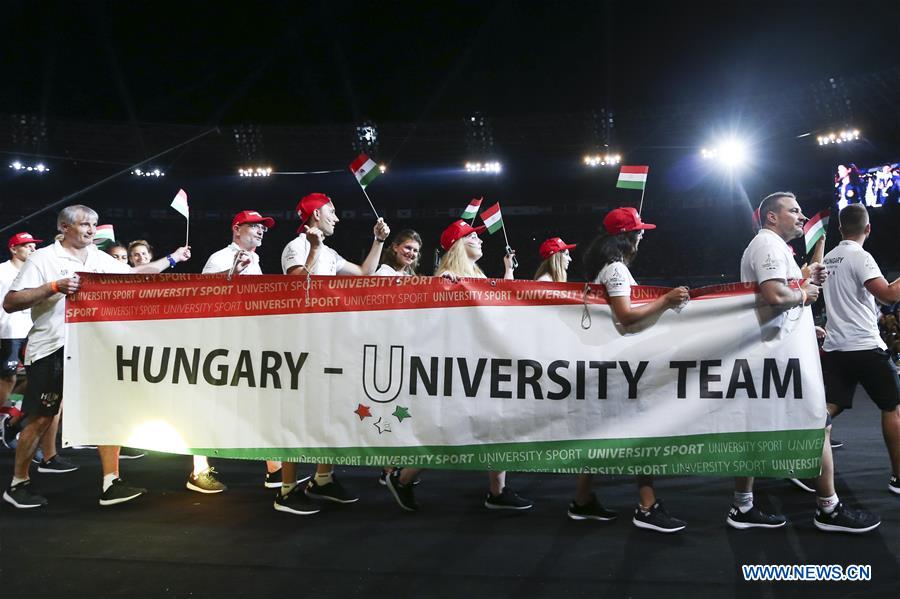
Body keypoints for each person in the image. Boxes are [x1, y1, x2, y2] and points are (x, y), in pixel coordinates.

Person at [1, 205, 191, 509]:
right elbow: (11, 302)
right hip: (53, 348)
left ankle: (110, 481)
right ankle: (18, 483)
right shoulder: (43, 258)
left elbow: (135, 276)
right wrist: (54, 287)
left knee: (107, 410)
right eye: (84, 224)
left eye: (93, 224)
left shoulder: (98, 259)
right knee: (41, 417)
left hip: (93, 346)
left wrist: (171, 259)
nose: (91, 230)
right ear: (64, 227)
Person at [734, 191, 879, 533]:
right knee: (819, 425)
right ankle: (828, 509)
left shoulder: (770, 245)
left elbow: (773, 298)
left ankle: (742, 506)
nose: (801, 216)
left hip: (772, 350)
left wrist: (801, 308)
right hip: (776, 356)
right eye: (794, 211)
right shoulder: (769, 246)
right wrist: (803, 295)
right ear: (772, 217)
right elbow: (773, 294)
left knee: (755, 431)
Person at [385, 219, 532, 512]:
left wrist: (508, 272)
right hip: (459, 369)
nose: (479, 240)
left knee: (496, 426)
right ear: (457, 244)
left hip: (480, 364)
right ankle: (404, 477)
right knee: (452, 432)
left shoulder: (474, 274)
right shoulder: (449, 276)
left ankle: (497, 491)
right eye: (472, 237)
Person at [275, 192, 390, 515]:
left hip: (327, 342)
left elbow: (365, 273)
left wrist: (378, 241)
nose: (337, 218)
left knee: (329, 412)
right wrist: (312, 249)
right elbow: (296, 285)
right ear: (315, 216)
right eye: (332, 212)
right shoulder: (296, 246)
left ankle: (322, 479)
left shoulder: (331, 252)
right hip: (301, 343)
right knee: (298, 417)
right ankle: (286, 491)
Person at [582, 208, 689, 532]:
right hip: (620, 364)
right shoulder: (615, 269)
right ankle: (646, 506)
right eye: (638, 231)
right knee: (644, 432)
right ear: (625, 237)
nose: (643, 235)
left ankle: (583, 500)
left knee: (600, 434)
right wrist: (667, 300)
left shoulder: (609, 267)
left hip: (611, 361)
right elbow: (626, 315)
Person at [187, 210, 285, 494]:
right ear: (236, 229)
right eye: (254, 226)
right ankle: (198, 471)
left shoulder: (254, 259)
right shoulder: (220, 258)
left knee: (261, 406)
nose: (260, 231)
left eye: (262, 227)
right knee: (208, 408)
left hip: (248, 344)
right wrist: (230, 274)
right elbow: (202, 293)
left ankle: (274, 470)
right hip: (220, 347)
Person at [820, 204, 900, 495]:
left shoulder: (828, 258)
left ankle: (800, 458)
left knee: (828, 409)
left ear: (841, 229)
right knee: (893, 407)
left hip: (836, 347)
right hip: (865, 346)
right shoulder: (860, 256)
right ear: (868, 229)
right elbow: (889, 295)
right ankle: (899, 479)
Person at [0, 233, 74, 474]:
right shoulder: (6, 270)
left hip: (34, 332)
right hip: (10, 332)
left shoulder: (41, 265)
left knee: (45, 395)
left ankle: (44, 450)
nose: (31, 248)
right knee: (10, 380)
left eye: (33, 245)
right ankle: (7, 420)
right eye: (26, 246)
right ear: (13, 249)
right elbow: (9, 302)